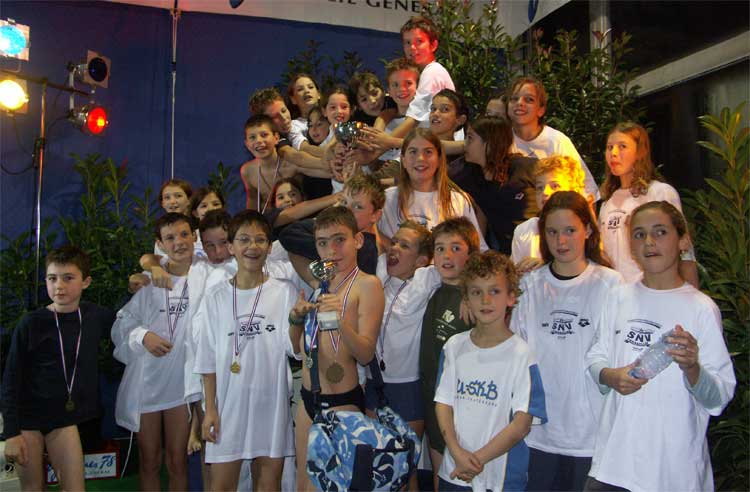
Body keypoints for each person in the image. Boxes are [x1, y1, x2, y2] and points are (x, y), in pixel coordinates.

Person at [584, 201, 735, 492]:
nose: (649, 242)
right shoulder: (618, 297)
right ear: (631, 246)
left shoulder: (701, 309)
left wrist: (692, 368)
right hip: (614, 467)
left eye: (660, 232)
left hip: (673, 472)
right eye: (639, 234)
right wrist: (610, 376)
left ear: (683, 241)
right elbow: (594, 357)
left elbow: (718, 398)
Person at [510, 191, 622, 491]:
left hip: (592, 435)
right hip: (538, 434)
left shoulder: (612, 285)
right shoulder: (529, 285)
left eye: (570, 230)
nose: (561, 241)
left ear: (588, 230)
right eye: (552, 232)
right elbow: (515, 354)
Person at [194, 211, 297, 492]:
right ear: (231, 246)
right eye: (244, 239)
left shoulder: (285, 292)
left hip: (270, 404)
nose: (253, 246)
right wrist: (210, 409)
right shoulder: (215, 297)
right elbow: (206, 359)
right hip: (229, 405)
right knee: (221, 486)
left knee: (269, 485)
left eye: (260, 240)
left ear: (269, 247)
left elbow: (295, 349)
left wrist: (298, 322)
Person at [286, 206, 385, 492]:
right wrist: (296, 320)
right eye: (322, 243)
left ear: (358, 240)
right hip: (307, 400)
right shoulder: (321, 287)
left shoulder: (367, 285)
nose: (331, 250)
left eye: (339, 240)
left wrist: (339, 321)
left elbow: (366, 354)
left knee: (334, 487)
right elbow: (297, 348)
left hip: (342, 401)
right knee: (303, 485)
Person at [112, 213, 211, 491]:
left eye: (184, 234)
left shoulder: (208, 275)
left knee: (178, 462)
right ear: (160, 243)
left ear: (195, 236)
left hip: (181, 387)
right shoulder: (149, 281)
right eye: (170, 238)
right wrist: (144, 336)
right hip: (148, 384)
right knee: (149, 461)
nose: (179, 242)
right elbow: (122, 324)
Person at [2, 246, 115, 491]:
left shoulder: (95, 316)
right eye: (52, 278)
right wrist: (11, 433)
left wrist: (141, 283)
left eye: (68, 278)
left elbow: (129, 323)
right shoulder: (31, 323)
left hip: (63, 420)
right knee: (33, 488)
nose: (59, 286)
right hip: (28, 420)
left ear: (86, 282)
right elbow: (10, 380)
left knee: (75, 488)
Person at [435, 251, 547, 491]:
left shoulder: (522, 355)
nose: (485, 300)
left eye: (494, 291)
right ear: (466, 299)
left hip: (499, 479)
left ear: (511, 297)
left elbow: (521, 424)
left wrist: (476, 460)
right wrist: (456, 452)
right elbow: (443, 404)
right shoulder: (454, 347)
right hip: (454, 471)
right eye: (477, 292)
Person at [367, 220, 440, 491]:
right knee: (376, 465)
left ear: (421, 260)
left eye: (404, 245)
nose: (394, 248)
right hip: (374, 384)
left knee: (406, 470)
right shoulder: (379, 273)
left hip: (408, 387)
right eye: (394, 241)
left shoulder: (426, 279)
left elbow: (460, 263)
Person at [418, 217, 480, 490]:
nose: (446, 255)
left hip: (462, 407)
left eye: (456, 248)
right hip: (432, 397)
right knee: (439, 474)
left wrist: (471, 291)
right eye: (440, 248)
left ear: (471, 255)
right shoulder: (433, 289)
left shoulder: (475, 300)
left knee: (462, 476)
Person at [598, 121, 698, 286]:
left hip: (654, 289)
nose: (613, 153)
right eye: (609, 147)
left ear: (639, 152)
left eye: (622, 146)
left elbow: (685, 252)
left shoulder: (659, 192)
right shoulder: (607, 203)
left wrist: (691, 295)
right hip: (616, 293)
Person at [378, 128, 487, 250]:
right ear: (403, 160)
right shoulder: (385, 199)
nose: (420, 158)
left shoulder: (458, 201)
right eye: (413, 152)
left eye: (428, 152)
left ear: (439, 160)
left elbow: (478, 249)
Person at [449, 116, 536, 253]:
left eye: (470, 138)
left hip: (538, 246)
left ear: (490, 143)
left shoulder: (525, 168)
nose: (465, 144)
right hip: (507, 253)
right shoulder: (468, 175)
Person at [507, 76, 599, 201]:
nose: (520, 103)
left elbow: (588, 192)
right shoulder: (502, 141)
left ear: (541, 110)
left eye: (529, 99)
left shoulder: (557, 141)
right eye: (514, 99)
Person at [279, 173, 384, 275]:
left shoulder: (367, 248)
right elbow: (288, 233)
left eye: (358, 207)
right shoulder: (332, 227)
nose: (346, 210)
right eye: (344, 202)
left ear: (375, 215)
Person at [511, 155, 586, 272]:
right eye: (540, 187)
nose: (545, 192)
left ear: (573, 190)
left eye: (554, 186)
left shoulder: (583, 228)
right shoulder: (524, 231)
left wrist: (546, 268)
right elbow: (515, 275)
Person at [239, 114, 330, 213]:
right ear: (247, 144)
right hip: (269, 220)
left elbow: (327, 172)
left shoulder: (292, 164)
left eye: (264, 135)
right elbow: (252, 201)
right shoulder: (247, 171)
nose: (259, 141)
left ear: (276, 138)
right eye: (252, 137)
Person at [389, 16, 455, 139]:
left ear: (433, 45)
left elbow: (413, 119)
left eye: (419, 41)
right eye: (408, 42)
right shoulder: (423, 73)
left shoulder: (432, 72)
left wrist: (383, 143)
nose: (412, 48)